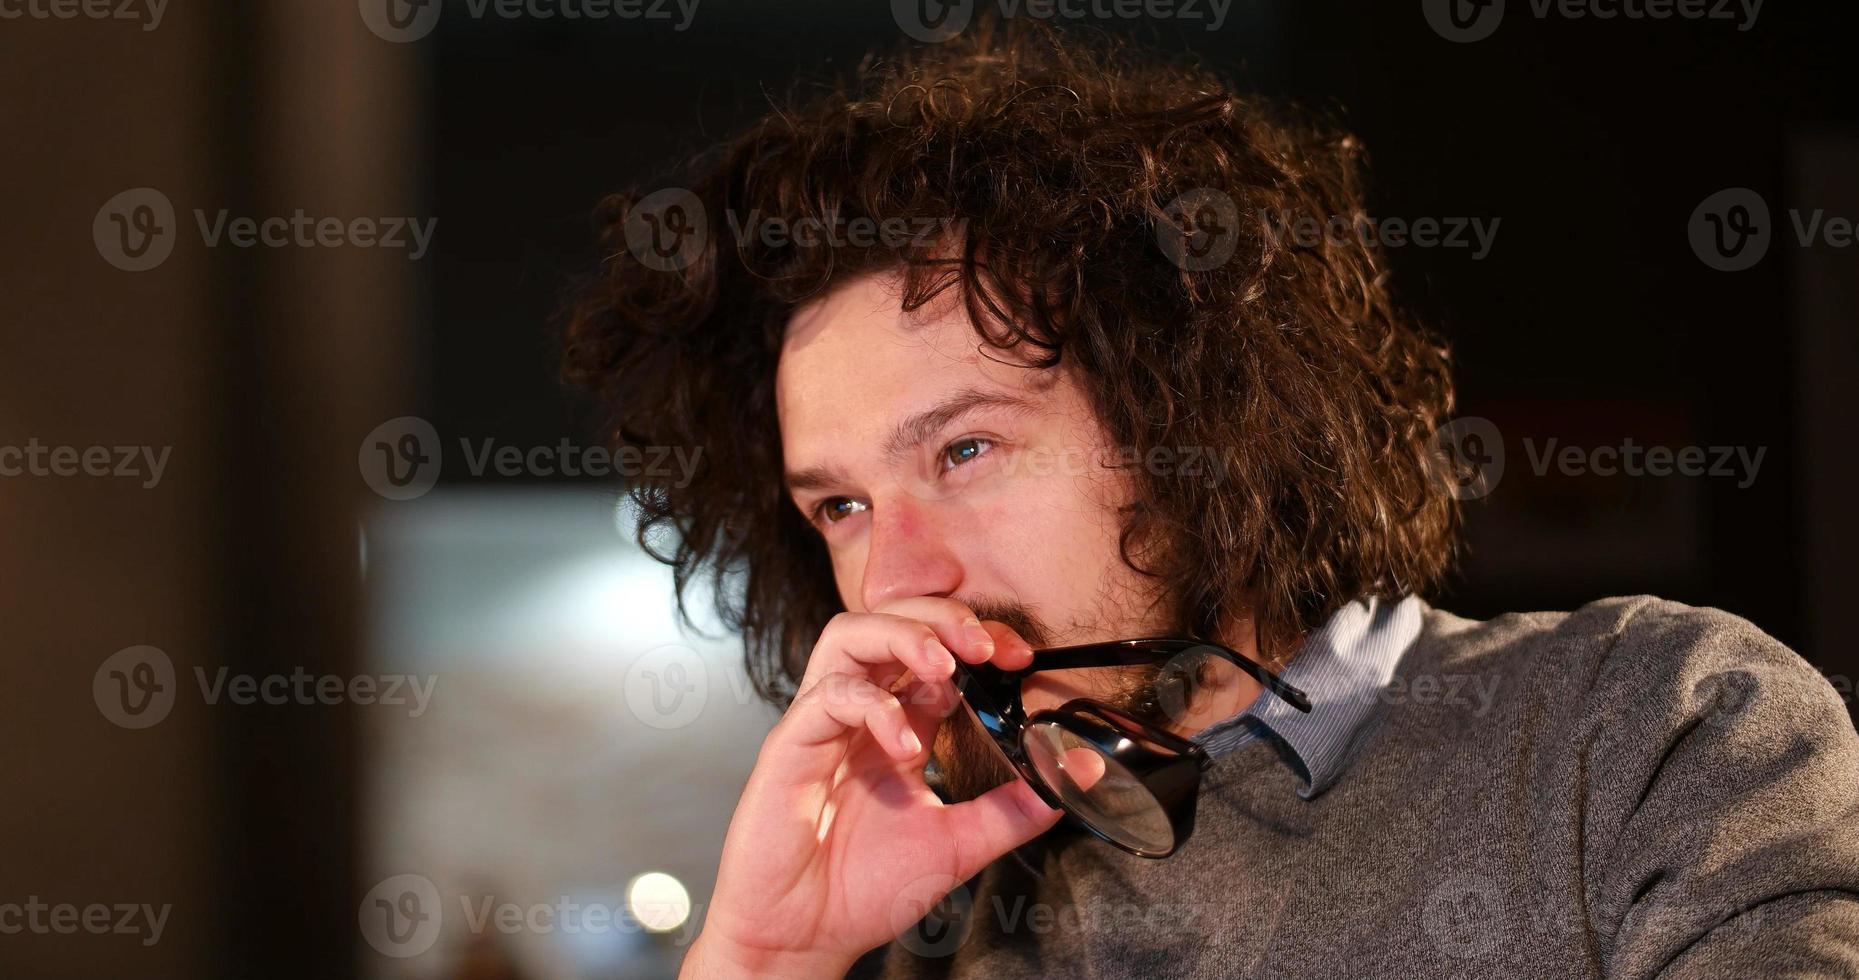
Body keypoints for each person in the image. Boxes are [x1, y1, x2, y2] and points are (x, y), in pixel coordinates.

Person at [562, 20, 1859, 978]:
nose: (897, 577)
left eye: (963, 452)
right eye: (837, 506)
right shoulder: (956, 914)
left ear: (1194, 415)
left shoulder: (1646, 732)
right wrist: (764, 959)